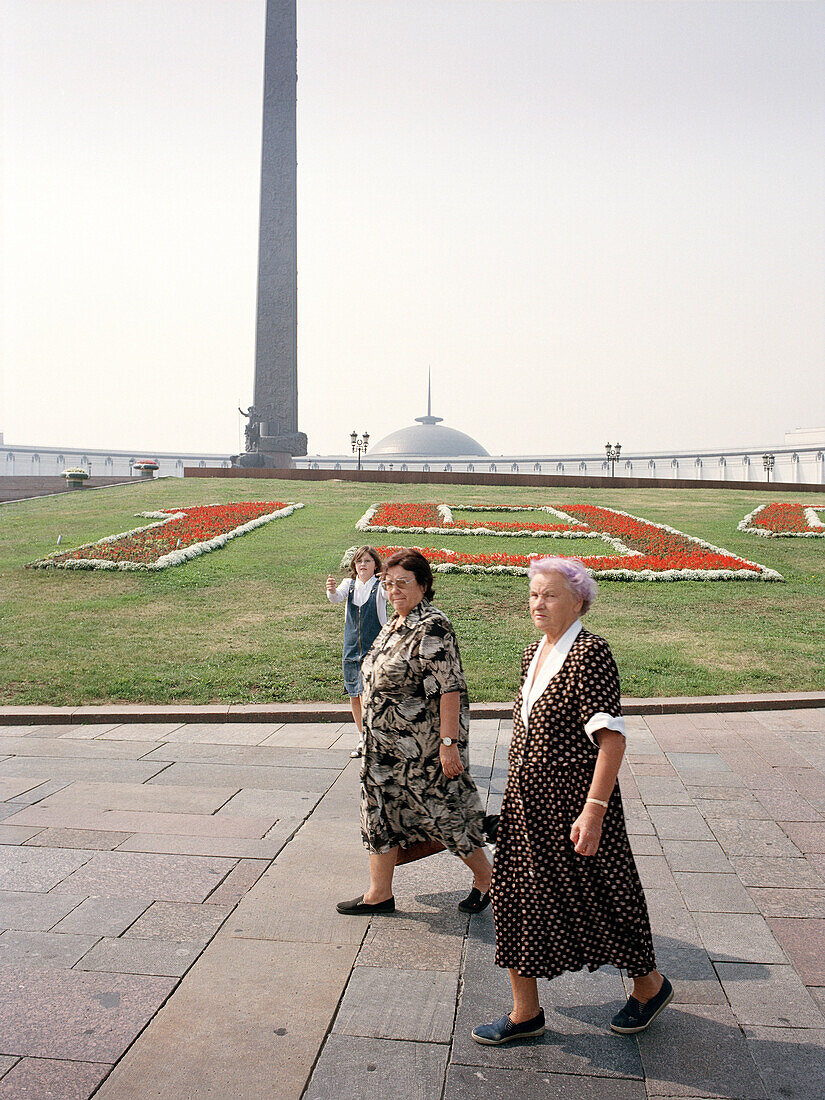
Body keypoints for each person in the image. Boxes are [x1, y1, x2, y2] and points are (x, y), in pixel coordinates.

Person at [472, 556, 671, 1046]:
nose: (538, 603)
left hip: (575, 806)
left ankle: (649, 986)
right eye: (534, 594)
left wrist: (594, 811)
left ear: (579, 599)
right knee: (517, 898)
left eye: (550, 594)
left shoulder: (590, 654)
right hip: (527, 805)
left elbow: (612, 741)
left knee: (603, 898)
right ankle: (525, 1012)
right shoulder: (531, 653)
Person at [336, 548, 493, 916]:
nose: (394, 591)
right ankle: (379, 893)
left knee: (445, 816)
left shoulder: (432, 625)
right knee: (379, 814)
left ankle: (488, 879)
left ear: (423, 584)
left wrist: (449, 745)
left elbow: (449, 687)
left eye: (402, 584)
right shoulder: (395, 623)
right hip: (383, 749)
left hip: (420, 750)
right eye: (388, 584)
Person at [326, 546, 388, 758]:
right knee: (354, 694)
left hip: (375, 650)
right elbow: (336, 598)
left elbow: (390, 595)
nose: (363, 564)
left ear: (375, 566)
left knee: (370, 695)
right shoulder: (348, 585)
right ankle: (363, 738)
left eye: (368, 561)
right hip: (351, 648)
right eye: (359, 561)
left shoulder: (380, 587)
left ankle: (374, 739)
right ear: (354, 565)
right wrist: (332, 590)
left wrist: (387, 579)